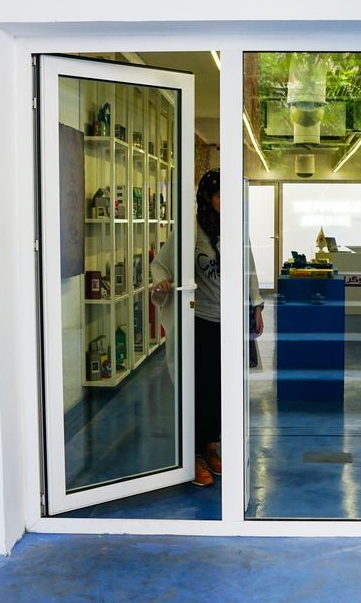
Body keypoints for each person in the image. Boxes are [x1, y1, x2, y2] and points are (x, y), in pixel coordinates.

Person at [150, 169, 264, 487]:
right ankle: (194, 455)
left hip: (228, 322)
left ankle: (211, 447)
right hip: (198, 321)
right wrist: (162, 280)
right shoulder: (191, 230)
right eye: (219, 195)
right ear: (207, 197)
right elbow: (160, 263)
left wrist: (256, 305)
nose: (225, 201)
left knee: (220, 389)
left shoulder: (235, 228)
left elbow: (249, 268)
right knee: (198, 388)